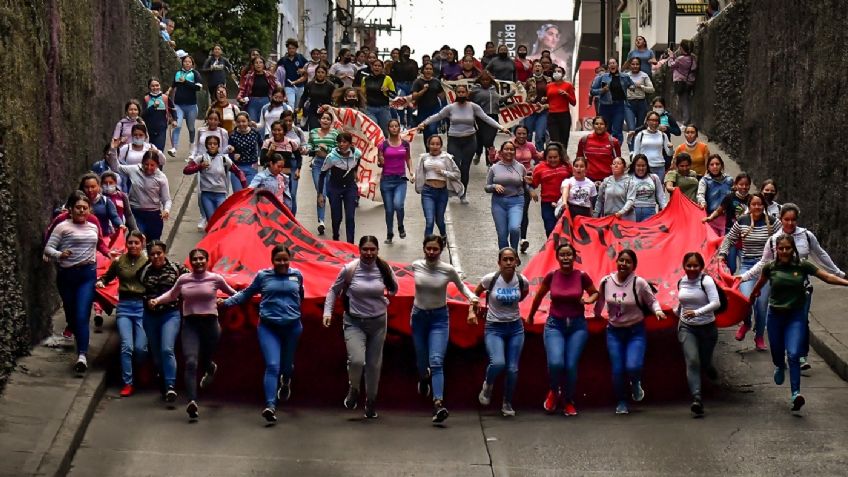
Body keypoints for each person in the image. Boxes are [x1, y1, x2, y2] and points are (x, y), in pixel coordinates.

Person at [741, 203, 846, 371]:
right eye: (786, 220)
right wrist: (744, 277)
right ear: (780, 219)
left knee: (802, 321)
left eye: (793, 220)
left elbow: (820, 255)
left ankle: (801, 356)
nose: (790, 223)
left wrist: (839, 274)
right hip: (780, 289)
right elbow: (764, 262)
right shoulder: (774, 239)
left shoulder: (807, 236)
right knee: (782, 322)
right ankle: (784, 354)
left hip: (802, 288)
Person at [750, 234, 848, 412]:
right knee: (777, 352)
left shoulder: (803, 266)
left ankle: (796, 394)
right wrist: (751, 297)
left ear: (793, 249)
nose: (784, 251)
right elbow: (760, 285)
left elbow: (826, 277)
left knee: (794, 354)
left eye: (788, 248)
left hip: (795, 316)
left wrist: (845, 282)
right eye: (781, 249)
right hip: (775, 317)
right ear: (776, 250)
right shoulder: (770, 268)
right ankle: (779, 365)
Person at [221, 245, 304, 422]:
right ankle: (270, 406)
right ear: (272, 261)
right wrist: (226, 303)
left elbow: (301, 296)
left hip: (292, 327)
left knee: (286, 366)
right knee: (273, 365)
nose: (282, 263)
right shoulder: (263, 276)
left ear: (290, 259)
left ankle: (286, 381)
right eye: (278, 260)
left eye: (285, 259)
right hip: (268, 327)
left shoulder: (297, 275)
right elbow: (246, 294)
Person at [150, 248, 237, 420]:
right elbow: (172, 294)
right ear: (191, 262)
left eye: (201, 259)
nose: (198, 262)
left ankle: (210, 367)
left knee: (205, 358)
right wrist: (157, 300)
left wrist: (225, 301)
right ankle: (192, 401)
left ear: (207, 260)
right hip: (190, 324)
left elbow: (235, 294)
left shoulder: (215, 279)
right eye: (195, 259)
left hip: (211, 324)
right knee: (191, 361)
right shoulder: (184, 279)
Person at [322, 237, 398, 419]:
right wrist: (327, 312)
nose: (369, 253)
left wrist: (383, 298)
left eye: (372, 249)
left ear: (378, 250)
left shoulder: (384, 268)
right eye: (365, 249)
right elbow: (333, 290)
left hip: (378, 323)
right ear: (359, 250)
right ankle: (354, 388)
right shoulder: (350, 269)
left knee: (373, 365)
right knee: (356, 360)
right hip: (354, 322)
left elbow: (394, 288)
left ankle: (371, 401)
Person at [411, 235, 479, 423]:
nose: (431, 252)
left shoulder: (448, 270)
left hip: (439, 319)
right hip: (418, 318)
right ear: (423, 248)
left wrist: (473, 298)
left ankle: (438, 403)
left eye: (435, 249)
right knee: (421, 360)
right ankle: (424, 378)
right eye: (428, 249)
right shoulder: (416, 265)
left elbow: (462, 287)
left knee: (436, 361)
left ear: (441, 251)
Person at [527, 242, 598, 415]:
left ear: (574, 258)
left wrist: (589, 300)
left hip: (577, 326)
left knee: (571, 365)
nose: (566, 258)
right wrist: (530, 315)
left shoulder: (581, 276)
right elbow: (538, 296)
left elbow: (595, 292)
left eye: (569, 255)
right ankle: (553, 390)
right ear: (558, 258)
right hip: (555, 324)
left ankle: (568, 400)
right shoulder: (552, 276)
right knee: (556, 362)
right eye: (562, 255)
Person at [594, 249, 666, 414]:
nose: (623, 264)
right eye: (621, 260)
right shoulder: (606, 281)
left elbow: (652, 301)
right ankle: (621, 401)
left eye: (628, 262)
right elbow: (600, 302)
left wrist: (658, 311)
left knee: (633, 365)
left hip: (635, 332)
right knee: (618, 369)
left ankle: (635, 382)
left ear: (634, 266)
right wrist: (596, 316)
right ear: (617, 262)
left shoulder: (639, 283)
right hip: (614, 332)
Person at [417, 84, 510, 204]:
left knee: (465, 169)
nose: (461, 94)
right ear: (456, 93)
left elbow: (486, 118)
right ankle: (451, 189)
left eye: (463, 92)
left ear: (467, 93)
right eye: (459, 92)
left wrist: (501, 127)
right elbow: (437, 116)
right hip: (454, 140)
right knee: (454, 167)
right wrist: (424, 123)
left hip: (470, 140)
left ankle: (463, 193)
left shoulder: (473, 107)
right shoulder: (450, 108)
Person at [44, 192, 102, 374]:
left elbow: (98, 245)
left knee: (82, 315)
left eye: (85, 208)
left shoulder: (93, 227)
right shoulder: (62, 227)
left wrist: (108, 256)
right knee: (71, 315)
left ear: (89, 209)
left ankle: (82, 355)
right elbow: (48, 248)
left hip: (87, 274)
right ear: (71, 209)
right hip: (67, 275)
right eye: (78, 207)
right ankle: (77, 337)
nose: (82, 210)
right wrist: (60, 255)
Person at [471, 248, 530, 417]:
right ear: (499, 262)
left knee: (512, 368)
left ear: (516, 261)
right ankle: (488, 386)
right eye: (505, 259)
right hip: (494, 327)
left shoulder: (521, 280)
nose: (509, 263)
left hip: (515, 328)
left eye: (512, 259)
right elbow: (476, 293)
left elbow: (524, 294)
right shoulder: (491, 279)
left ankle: (507, 402)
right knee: (498, 363)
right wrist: (473, 309)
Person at [719, 193, 778, 349]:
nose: (757, 207)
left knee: (762, 304)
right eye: (754, 204)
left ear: (764, 206)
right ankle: (746, 323)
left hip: (767, 269)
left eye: (760, 204)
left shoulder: (773, 223)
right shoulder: (742, 221)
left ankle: (759, 337)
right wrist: (722, 254)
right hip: (747, 265)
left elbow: (785, 239)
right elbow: (729, 239)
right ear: (749, 206)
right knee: (746, 300)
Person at [96, 231, 149, 397]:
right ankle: (128, 382)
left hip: (142, 306)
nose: (133, 246)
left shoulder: (148, 262)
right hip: (124, 306)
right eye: (130, 242)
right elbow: (107, 277)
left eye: (136, 243)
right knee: (127, 346)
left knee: (141, 348)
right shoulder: (119, 262)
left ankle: (141, 368)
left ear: (142, 244)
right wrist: (101, 282)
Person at [139, 240, 188, 403]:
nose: (155, 257)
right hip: (150, 316)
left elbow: (191, 281)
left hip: (170, 314)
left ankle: (170, 386)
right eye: (152, 254)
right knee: (156, 353)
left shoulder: (176, 268)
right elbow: (137, 290)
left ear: (164, 253)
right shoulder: (144, 270)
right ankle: (161, 375)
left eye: (158, 253)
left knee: (167, 349)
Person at [676, 252, 721, 416]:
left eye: (695, 265)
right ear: (684, 266)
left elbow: (716, 303)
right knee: (693, 361)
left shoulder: (706, 281)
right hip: (687, 327)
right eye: (689, 265)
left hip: (707, 328)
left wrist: (697, 312)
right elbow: (681, 304)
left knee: (705, 361)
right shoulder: (681, 281)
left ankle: (709, 368)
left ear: (701, 267)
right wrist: (672, 313)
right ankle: (697, 398)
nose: (692, 269)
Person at [107, 145, 172, 241]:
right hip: (136, 213)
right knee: (137, 240)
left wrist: (166, 210)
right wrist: (113, 150)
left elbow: (166, 199)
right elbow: (116, 167)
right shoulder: (134, 170)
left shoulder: (161, 178)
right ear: (142, 163)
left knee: (153, 243)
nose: (148, 167)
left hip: (154, 215)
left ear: (157, 165)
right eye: (146, 164)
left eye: (152, 165)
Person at [184, 135, 246, 222]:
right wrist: (199, 167)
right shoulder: (201, 158)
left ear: (218, 146)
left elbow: (238, 172)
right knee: (212, 221)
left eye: (215, 144)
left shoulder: (224, 159)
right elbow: (186, 170)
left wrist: (245, 186)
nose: (212, 146)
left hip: (220, 195)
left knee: (221, 220)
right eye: (210, 144)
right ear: (206, 145)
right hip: (206, 194)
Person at [414, 135, 463, 238]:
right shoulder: (424, 158)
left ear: (441, 145)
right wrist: (414, 178)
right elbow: (419, 172)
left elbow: (457, 174)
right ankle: (427, 244)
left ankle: (443, 235)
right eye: (432, 144)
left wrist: (443, 172)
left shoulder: (447, 158)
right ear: (428, 145)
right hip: (428, 192)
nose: (435, 146)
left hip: (441, 192)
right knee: (429, 221)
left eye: (437, 144)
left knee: (439, 220)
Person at [702, 172, 752, 272]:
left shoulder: (752, 199)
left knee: (746, 267)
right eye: (741, 184)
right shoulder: (730, 197)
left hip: (746, 236)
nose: (744, 187)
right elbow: (720, 210)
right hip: (731, 235)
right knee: (731, 266)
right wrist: (710, 218)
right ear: (736, 185)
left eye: (746, 185)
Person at [318, 132, 362, 243]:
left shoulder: (357, 153)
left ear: (350, 144)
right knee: (337, 217)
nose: (341, 144)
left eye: (344, 142)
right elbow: (322, 174)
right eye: (339, 142)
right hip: (335, 188)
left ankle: (350, 244)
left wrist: (355, 172)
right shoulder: (331, 157)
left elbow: (357, 162)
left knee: (350, 217)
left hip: (350, 188)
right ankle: (336, 237)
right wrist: (320, 194)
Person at [485, 141, 528, 250]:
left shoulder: (520, 167)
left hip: (516, 201)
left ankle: (514, 252)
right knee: (502, 234)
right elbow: (487, 187)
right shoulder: (494, 168)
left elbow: (526, 184)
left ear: (515, 152)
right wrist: (494, 186)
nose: (509, 151)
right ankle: (504, 257)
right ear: (501, 152)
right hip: (498, 203)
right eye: (506, 149)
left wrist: (531, 186)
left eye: (511, 149)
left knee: (514, 228)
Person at [508, 126, 543, 253]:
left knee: (523, 211)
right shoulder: (509, 145)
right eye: (519, 133)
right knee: (511, 211)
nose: (522, 136)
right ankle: (512, 239)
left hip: (526, 182)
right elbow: (500, 158)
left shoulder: (531, 146)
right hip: (510, 183)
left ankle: (523, 239)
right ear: (515, 134)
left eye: (524, 134)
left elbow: (538, 158)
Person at [378, 120, 413, 244]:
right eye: (391, 126)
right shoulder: (383, 145)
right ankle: (389, 233)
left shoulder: (405, 144)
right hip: (386, 180)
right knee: (389, 209)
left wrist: (411, 172)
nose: (394, 128)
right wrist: (381, 161)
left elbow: (408, 158)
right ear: (388, 129)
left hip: (401, 179)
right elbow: (379, 162)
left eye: (396, 126)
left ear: (399, 128)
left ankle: (400, 225)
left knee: (399, 205)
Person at [471, 72, 513, 166]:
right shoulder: (475, 89)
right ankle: (478, 152)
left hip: (493, 117)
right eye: (483, 80)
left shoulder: (494, 89)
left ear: (490, 80)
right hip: (480, 117)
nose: (485, 82)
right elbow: (468, 100)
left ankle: (489, 163)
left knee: (489, 141)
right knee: (480, 138)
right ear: (480, 81)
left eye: (487, 80)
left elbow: (500, 99)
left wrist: (511, 94)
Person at [531, 142, 572, 237]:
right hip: (547, 203)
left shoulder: (567, 166)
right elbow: (533, 183)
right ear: (546, 157)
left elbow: (575, 180)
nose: (553, 160)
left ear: (560, 157)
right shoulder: (539, 168)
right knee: (550, 228)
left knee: (564, 228)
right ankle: (552, 249)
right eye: (550, 157)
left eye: (555, 157)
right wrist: (531, 191)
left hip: (564, 202)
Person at [591, 59, 635, 143]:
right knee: (606, 130)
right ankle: (605, 149)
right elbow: (592, 91)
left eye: (613, 63)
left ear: (617, 65)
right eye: (610, 63)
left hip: (619, 106)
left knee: (617, 131)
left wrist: (632, 87)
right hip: (605, 107)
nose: (612, 65)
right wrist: (602, 90)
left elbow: (631, 84)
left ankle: (616, 151)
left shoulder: (624, 76)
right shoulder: (601, 77)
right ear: (608, 67)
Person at [168, 54, 203, 157]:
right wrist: (167, 92)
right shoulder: (178, 73)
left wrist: (186, 82)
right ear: (182, 63)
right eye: (185, 61)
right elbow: (173, 85)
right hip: (178, 104)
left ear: (192, 64)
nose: (187, 63)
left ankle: (192, 149)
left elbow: (198, 87)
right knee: (177, 125)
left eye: (189, 62)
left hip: (191, 105)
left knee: (191, 128)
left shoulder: (195, 74)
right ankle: (174, 148)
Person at [576, 116, 621, 182]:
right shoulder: (584, 140)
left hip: (608, 179)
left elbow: (618, 162)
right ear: (593, 126)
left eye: (602, 124)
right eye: (596, 124)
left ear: (606, 126)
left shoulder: (613, 142)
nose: (599, 126)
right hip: (588, 179)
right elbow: (579, 159)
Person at [696, 154, 733, 235]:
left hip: (727, 218)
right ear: (708, 167)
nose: (715, 166)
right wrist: (702, 202)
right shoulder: (704, 181)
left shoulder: (729, 180)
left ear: (722, 165)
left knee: (724, 244)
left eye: (717, 164)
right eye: (712, 164)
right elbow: (700, 195)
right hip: (711, 218)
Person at [227, 112, 263, 190]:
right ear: (235, 123)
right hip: (237, 168)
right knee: (238, 195)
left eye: (243, 121)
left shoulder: (255, 133)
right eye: (238, 122)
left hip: (251, 167)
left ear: (248, 122)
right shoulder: (233, 135)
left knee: (249, 194)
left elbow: (262, 146)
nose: (241, 124)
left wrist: (260, 158)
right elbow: (228, 151)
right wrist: (233, 155)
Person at [410, 63, 443, 146]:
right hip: (423, 110)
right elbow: (414, 96)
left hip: (435, 109)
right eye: (426, 69)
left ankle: (436, 149)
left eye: (430, 69)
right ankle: (429, 151)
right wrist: (423, 90)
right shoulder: (417, 82)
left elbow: (442, 95)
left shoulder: (436, 81)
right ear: (423, 70)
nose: (428, 71)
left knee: (433, 129)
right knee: (427, 132)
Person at [361, 59, 395, 137]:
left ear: (382, 68)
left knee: (386, 132)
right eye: (375, 66)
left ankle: (386, 148)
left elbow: (394, 96)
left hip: (383, 109)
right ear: (372, 67)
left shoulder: (387, 79)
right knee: (373, 131)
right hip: (369, 109)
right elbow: (362, 94)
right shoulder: (365, 79)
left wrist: (388, 90)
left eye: (379, 66)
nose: (377, 67)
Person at [237, 56, 277, 123]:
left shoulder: (269, 76)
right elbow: (243, 89)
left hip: (266, 101)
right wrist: (240, 98)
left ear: (264, 65)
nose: (258, 64)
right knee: (253, 123)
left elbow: (275, 89)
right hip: (252, 102)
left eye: (260, 62)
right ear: (253, 65)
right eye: (256, 63)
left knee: (265, 123)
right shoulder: (249, 77)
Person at [633, 111, 673, 177]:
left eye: (656, 120)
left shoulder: (663, 135)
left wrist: (671, 148)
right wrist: (633, 166)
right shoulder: (641, 135)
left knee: (658, 187)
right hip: (644, 167)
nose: (654, 123)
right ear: (647, 121)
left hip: (659, 167)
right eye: (652, 120)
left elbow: (669, 153)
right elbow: (636, 153)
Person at [667, 40, 697, 125]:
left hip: (681, 82)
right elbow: (694, 68)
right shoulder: (692, 57)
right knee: (686, 100)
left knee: (683, 102)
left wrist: (671, 56)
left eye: (680, 46)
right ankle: (685, 120)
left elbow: (671, 65)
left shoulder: (681, 59)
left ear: (682, 48)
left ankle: (686, 121)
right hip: (689, 82)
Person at [628, 154, 666, 222]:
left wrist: (666, 210)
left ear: (647, 166)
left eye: (643, 165)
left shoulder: (654, 178)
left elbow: (661, 197)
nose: (641, 168)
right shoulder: (628, 178)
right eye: (638, 166)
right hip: (632, 212)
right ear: (634, 166)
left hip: (650, 212)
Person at [545, 66, 576, 147]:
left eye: (559, 71)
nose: (556, 73)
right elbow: (547, 99)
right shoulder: (549, 86)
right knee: (555, 140)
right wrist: (544, 99)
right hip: (552, 115)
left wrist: (566, 95)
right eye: (555, 71)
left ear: (563, 74)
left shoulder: (568, 85)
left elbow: (573, 102)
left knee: (564, 140)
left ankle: (564, 157)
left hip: (564, 115)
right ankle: (556, 156)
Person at [142, 79, 177, 151]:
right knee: (150, 151)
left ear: (160, 86)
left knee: (159, 150)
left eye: (157, 85)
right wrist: (153, 107)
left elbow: (173, 109)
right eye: (153, 86)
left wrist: (174, 120)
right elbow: (143, 115)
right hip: (149, 130)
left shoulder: (165, 98)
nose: (155, 87)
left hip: (161, 129)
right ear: (149, 87)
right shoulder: (146, 99)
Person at [298, 65, 336, 131]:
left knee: (325, 130)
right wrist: (299, 107)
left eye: (322, 72)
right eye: (318, 72)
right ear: (315, 73)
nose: (320, 74)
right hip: (313, 110)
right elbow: (304, 96)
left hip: (326, 111)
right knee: (314, 130)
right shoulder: (310, 84)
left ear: (326, 74)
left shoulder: (330, 85)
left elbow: (334, 98)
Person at [524, 61, 550, 151]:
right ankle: (527, 155)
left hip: (543, 111)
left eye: (539, 66)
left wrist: (546, 99)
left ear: (542, 69)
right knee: (528, 135)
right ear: (533, 69)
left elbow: (552, 94)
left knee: (540, 135)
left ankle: (539, 157)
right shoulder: (528, 81)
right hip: (530, 111)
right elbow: (523, 94)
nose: (537, 67)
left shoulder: (548, 80)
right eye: (536, 66)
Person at [624, 58, 655, 133]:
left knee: (640, 128)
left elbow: (652, 89)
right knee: (631, 128)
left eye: (637, 64)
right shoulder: (625, 76)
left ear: (640, 65)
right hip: (629, 104)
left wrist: (641, 86)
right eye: (633, 64)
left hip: (641, 103)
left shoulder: (644, 75)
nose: (635, 66)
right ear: (630, 65)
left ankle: (637, 144)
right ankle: (631, 143)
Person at [276, 38, 308, 111]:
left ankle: (298, 121)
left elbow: (308, 64)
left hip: (300, 86)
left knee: (299, 105)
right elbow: (276, 67)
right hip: (288, 85)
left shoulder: (300, 57)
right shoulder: (283, 59)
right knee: (291, 104)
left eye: (293, 48)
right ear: (287, 49)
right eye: (290, 48)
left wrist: (304, 69)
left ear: (296, 49)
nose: (291, 50)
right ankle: (291, 120)